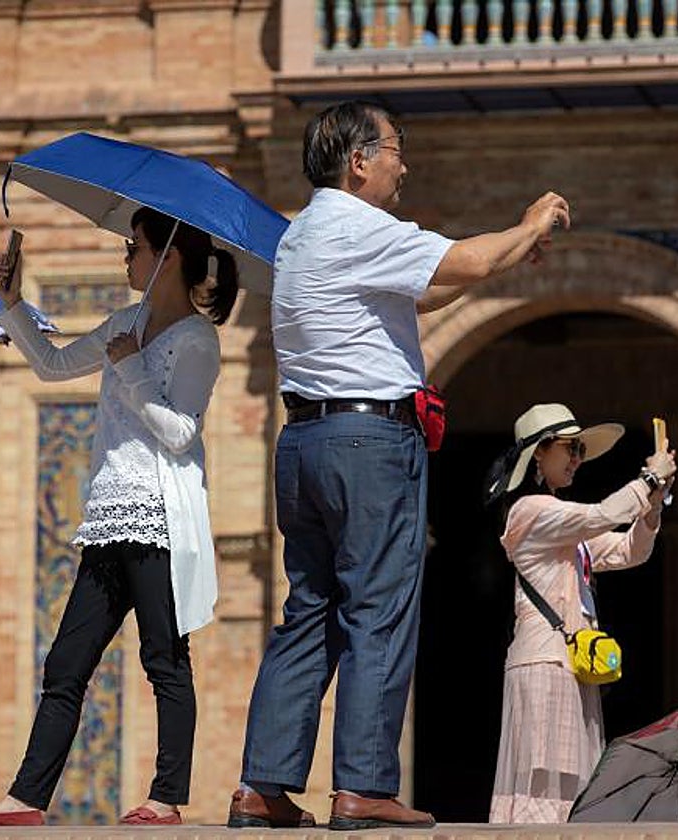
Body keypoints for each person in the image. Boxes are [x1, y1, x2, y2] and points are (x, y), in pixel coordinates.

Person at [228, 100, 572, 831]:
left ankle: (262, 785)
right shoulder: (360, 225)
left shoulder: (302, 234)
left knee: (309, 612)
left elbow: (432, 286)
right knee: (378, 608)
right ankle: (362, 786)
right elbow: (466, 258)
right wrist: (531, 223)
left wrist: (507, 251)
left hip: (307, 444)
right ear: (359, 160)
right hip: (369, 446)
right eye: (394, 151)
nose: (403, 166)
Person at [0, 206, 237, 827]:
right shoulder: (125, 321)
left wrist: (131, 366)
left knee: (164, 658)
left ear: (168, 256)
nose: (125, 257)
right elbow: (51, 365)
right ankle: (25, 799)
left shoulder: (196, 340)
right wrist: (10, 303)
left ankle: (164, 799)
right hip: (109, 518)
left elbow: (180, 433)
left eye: (133, 246)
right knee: (66, 663)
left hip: (159, 518)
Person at [484, 403, 677, 824]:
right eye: (570, 449)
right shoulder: (530, 511)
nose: (577, 460)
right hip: (544, 662)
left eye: (580, 452)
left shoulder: (566, 530)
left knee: (575, 785)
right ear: (539, 451)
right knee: (544, 786)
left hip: (572, 663)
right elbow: (602, 514)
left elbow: (632, 551)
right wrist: (647, 478)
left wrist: (654, 504)